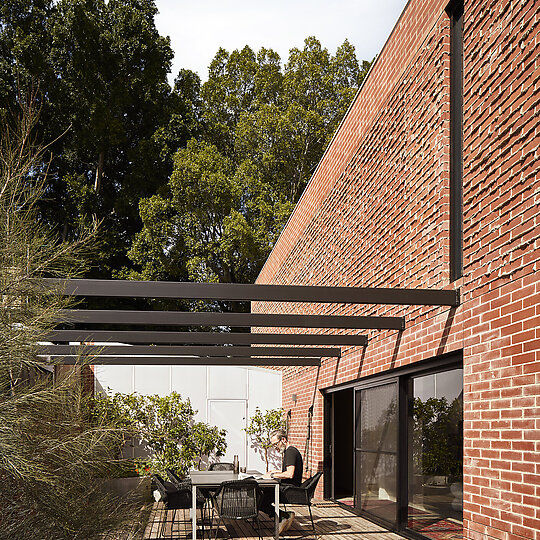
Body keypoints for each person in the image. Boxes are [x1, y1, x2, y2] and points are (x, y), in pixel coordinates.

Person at [260, 429, 303, 534]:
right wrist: (276, 471)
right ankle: (283, 516)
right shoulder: (291, 451)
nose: (275, 447)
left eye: (275, 444)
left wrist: (272, 475)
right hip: (289, 488)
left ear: (283, 440)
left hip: (288, 491)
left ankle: (283, 516)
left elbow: (289, 474)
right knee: (262, 495)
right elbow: (287, 471)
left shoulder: (290, 453)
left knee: (259, 500)